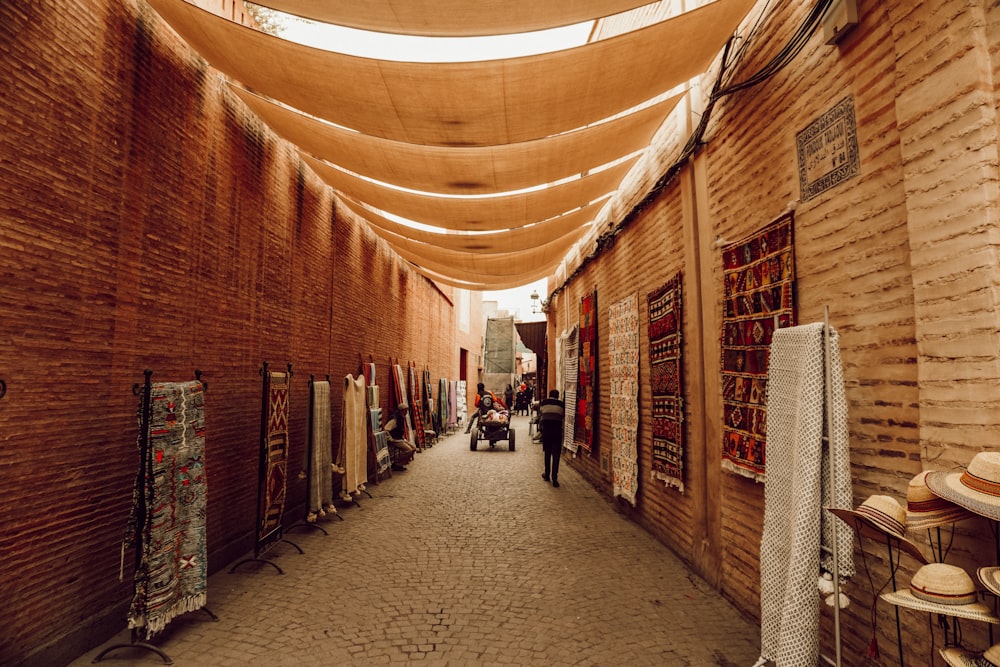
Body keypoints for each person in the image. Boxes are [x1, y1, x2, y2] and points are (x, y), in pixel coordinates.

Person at [538, 389, 565, 487]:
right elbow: (562, 416)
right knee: (556, 455)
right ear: (558, 396)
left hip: (547, 432)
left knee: (547, 453)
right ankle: (555, 478)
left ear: (549, 395)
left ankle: (547, 474)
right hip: (557, 432)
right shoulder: (561, 404)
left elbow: (541, 413)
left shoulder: (544, 402)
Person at [384, 402, 416, 471]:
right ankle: (397, 464)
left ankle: (401, 463)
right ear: (401, 411)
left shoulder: (401, 417)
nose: (406, 412)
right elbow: (386, 429)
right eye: (405, 411)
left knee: (413, 448)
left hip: (399, 438)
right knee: (408, 450)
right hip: (395, 439)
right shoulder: (394, 419)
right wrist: (390, 439)